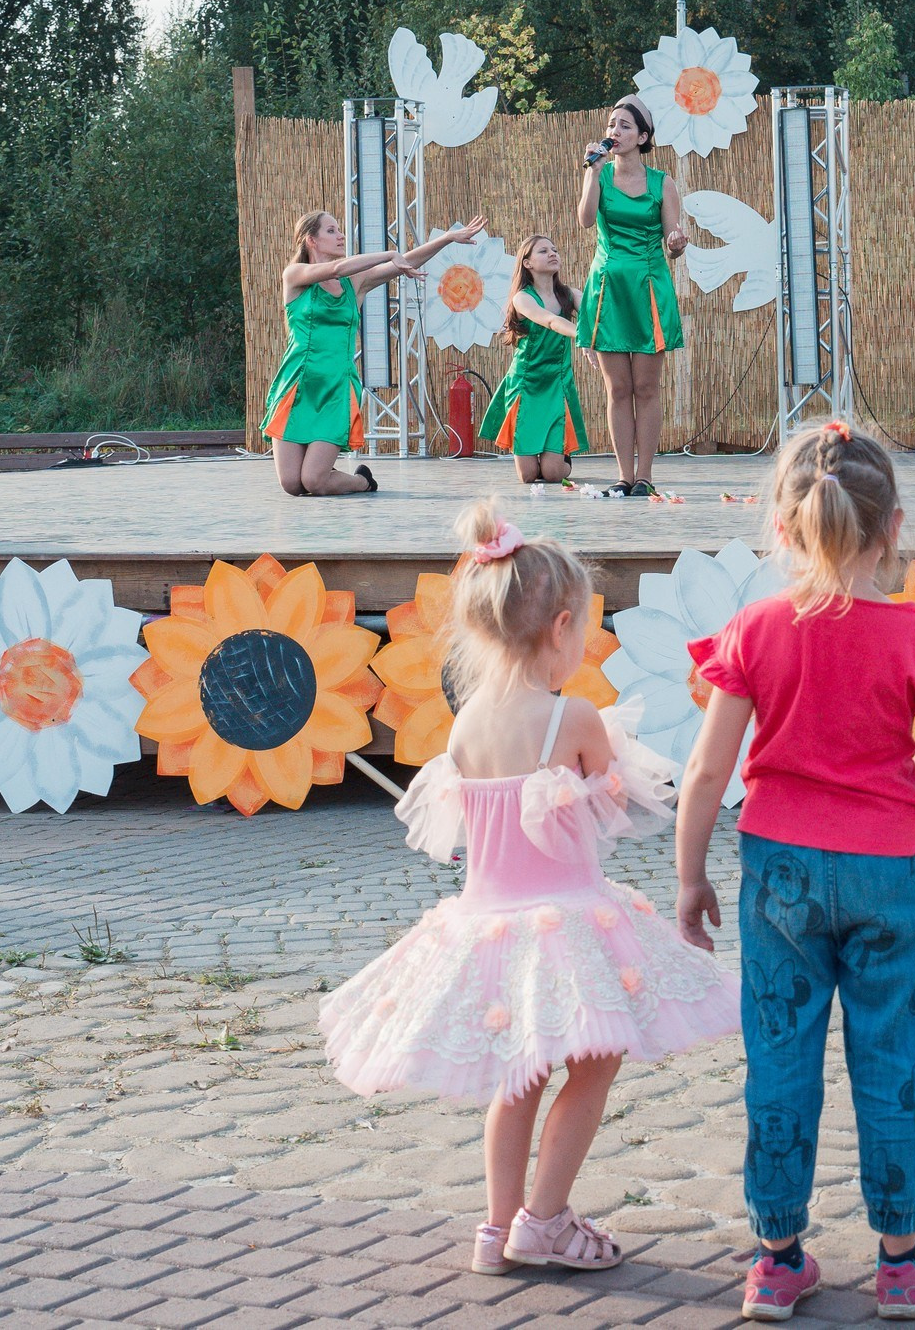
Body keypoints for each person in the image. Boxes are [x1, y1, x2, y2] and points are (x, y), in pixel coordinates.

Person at [319, 501, 738, 1276]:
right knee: (599, 1056)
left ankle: (496, 1224)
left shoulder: (464, 722)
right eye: (583, 630)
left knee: (517, 1074)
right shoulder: (571, 717)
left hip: (487, 922)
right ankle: (544, 1216)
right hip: (568, 920)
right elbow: (613, 808)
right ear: (561, 626)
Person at [675, 420, 915, 1322]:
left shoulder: (758, 628)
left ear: (782, 528)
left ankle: (776, 1257)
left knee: (780, 1056)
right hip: (891, 870)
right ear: (894, 527)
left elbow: (707, 771)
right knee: (890, 1056)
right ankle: (901, 1258)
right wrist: (909, 774)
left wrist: (689, 876)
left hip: (779, 873)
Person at [263, 210, 486, 495]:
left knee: (314, 482)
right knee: (292, 485)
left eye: (339, 229)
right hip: (296, 384)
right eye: (331, 231)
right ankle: (323, 467)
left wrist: (446, 239)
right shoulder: (295, 275)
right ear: (311, 240)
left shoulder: (354, 283)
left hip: (335, 387)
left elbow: (405, 263)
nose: (340, 235)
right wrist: (388, 253)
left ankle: (362, 481)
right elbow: (335, 269)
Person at [577, 94, 689, 498]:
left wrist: (677, 243)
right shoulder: (600, 174)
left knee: (645, 388)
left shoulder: (663, 182)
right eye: (611, 125)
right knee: (617, 388)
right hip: (608, 288)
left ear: (643, 137)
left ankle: (645, 475)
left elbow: (672, 244)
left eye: (624, 126)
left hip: (647, 288)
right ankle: (624, 476)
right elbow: (586, 220)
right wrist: (592, 172)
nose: (615, 132)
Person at [484, 235, 588, 485]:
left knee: (553, 474)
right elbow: (550, 321)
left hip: (557, 383)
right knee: (528, 477)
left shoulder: (570, 294)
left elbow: (595, 318)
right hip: (526, 385)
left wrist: (593, 337)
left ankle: (558, 458)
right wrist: (582, 335)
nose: (553, 254)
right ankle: (540, 456)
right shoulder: (522, 298)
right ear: (527, 263)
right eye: (543, 251)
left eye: (554, 249)